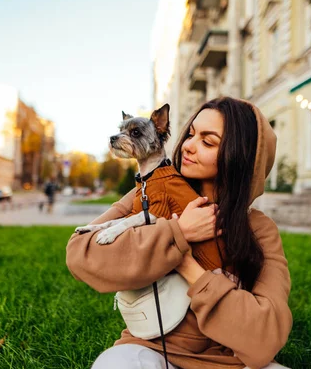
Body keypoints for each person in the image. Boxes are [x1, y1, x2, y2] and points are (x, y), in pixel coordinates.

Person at [66, 97, 292, 369]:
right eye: (191, 134)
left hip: (230, 361)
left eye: (207, 142)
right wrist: (178, 232)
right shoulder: (151, 190)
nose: (188, 146)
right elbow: (81, 253)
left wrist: (186, 263)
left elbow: (266, 338)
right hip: (150, 351)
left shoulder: (259, 228)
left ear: (240, 157)